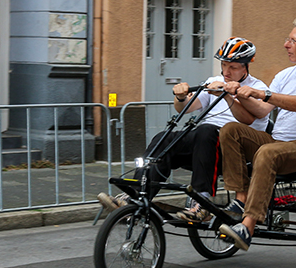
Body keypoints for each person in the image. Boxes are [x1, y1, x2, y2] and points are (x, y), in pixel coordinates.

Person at [97, 37, 270, 220]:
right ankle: (136, 195)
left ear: (246, 65)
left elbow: (250, 119)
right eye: (224, 65)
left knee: (206, 130)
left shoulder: (257, 88)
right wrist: (180, 97)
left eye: (233, 67)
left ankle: (201, 202)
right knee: (163, 138)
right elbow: (186, 107)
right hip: (205, 145)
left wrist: (228, 95)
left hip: (234, 151)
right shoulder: (214, 81)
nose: (226, 71)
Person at [216, 16, 296, 251]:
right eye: (288, 39)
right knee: (231, 130)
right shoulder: (284, 75)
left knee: (267, 152)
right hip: (279, 142)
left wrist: (260, 93)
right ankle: (240, 199)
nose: (286, 45)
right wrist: (237, 94)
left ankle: (248, 226)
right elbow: (263, 111)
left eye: (293, 41)